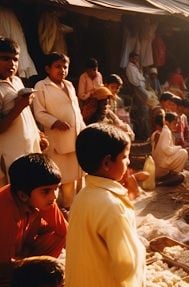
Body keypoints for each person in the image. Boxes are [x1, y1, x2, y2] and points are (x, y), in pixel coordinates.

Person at [66, 123, 145, 287]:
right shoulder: (112, 206)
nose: (128, 161)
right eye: (124, 157)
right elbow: (127, 265)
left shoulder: (82, 197)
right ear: (107, 163)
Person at [0, 153, 67, 285]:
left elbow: (65, 230)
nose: (54, 196)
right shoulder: (5, 210)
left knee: (58, 235)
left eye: (56, 188)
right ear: (23, 196)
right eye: (46, 191)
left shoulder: (42, 199)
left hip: (19, 253)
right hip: (4, 264)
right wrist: (43, 263)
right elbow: (3, 266)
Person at [33, 52, 85, 210]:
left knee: (80, 175)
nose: (62, 70)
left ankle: (81, 207)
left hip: (76, 137)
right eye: (58, 66)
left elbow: (76, 112)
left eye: (65, 66)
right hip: (58, 139)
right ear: (48, 69)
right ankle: (69, 209)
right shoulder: (41, 86)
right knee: (65, 178)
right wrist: (55, 122)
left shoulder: (69, 85)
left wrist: (83, 130)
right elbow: (39, 112)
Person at [0, 37, 43, 185]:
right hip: (10, 154)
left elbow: (27, 115)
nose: (12, 64)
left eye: (15, 59)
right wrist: (20, 106)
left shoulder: (17, 81)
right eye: (5, 59)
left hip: (30, 147)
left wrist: (38, 133)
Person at [151, 112, 188, 183]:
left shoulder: (164, 131)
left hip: (159, 165)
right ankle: (173, 175)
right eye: (174, 123)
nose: (176, 125)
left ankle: (172, 175)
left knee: (181, 151)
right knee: (184, 152)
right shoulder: (166, 131)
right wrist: (179, 147)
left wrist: (177, 148)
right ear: (167, 123)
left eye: (177, 123)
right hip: (161, 168)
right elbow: (166, 149)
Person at [125, 51, 151, 140]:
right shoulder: (130, 68)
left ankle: (145, 133)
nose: (136, 60)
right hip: (137, 90)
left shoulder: (136, 67)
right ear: (131, 58)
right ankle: (143, 134)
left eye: (137, 58)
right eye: (135, 58)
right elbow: (135, 82)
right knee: (144, 112)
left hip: (141, 88)